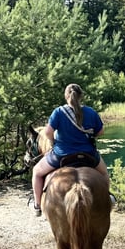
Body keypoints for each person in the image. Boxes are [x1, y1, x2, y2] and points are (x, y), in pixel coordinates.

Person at [31, 83, 109, 216]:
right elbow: (100, 132)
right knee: (104, 174)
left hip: (62, 154)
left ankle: (37, 205)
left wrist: (53, 141)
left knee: (37, 172)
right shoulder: (91, 112)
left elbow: (48, 132)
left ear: (66, 96)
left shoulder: (59, 112)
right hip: (88, 154)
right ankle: (107, 198)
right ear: (81, 96)